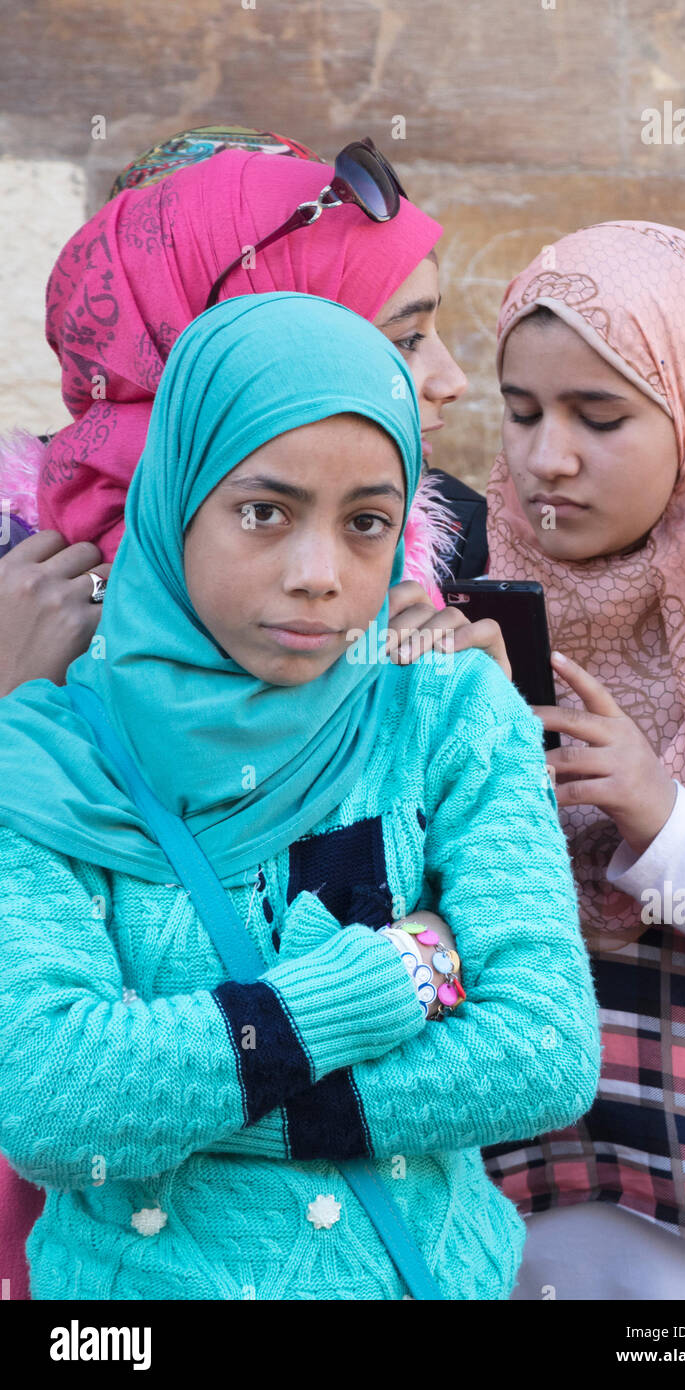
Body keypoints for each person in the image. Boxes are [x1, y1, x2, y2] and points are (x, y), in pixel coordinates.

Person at [0, 291, 600, 1300]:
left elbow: (542, 1049)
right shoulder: (53, 760)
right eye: (264, 512)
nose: (320, 574)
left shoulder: (449, 714)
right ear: (178, 495)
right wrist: (389, 980)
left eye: (368, 523)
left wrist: (202, 1108)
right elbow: (53, 1101)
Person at [480, 221, 685, 1300]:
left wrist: (666, 822)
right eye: (520, 413)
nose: (544, 458)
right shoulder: (449, 593)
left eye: (599, 415)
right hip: (531, 1235)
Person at [0, 125, 490, 697]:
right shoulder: (25, 577)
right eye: (403, 339)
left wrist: (482, 723)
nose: (454, 380)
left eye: (363, 524)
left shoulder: (431, 557)